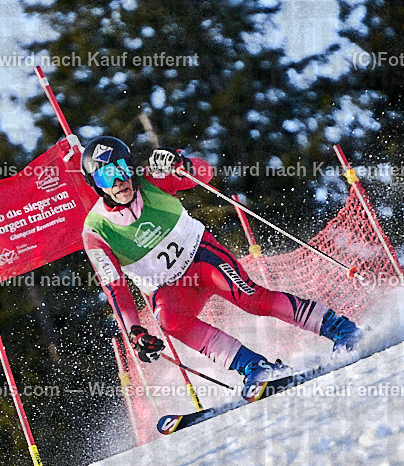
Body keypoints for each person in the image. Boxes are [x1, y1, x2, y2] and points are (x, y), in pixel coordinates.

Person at [80, 135, 361, 390]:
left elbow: (204, 174)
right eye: (106, 177)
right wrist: (135, 332)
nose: (118, 181)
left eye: (121, 169)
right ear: (96, 185)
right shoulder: (96, 232)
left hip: (202, 258)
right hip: (169, 288)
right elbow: (115, 288)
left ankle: (340, 328)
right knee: (169, 320)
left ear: (131, 167)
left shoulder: (152, 179)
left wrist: (182, 164)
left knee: (250, 298)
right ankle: (255, 366)